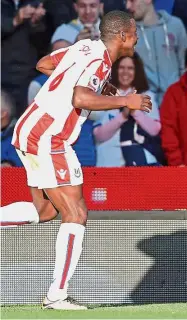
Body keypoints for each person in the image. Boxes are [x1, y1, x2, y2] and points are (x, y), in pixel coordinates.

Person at [0, 11, 151, 310]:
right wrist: (125, 100)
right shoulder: (99, 60)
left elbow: (44, 64)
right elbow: (80, 99)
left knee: (45, 212)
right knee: (76, 214)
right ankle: (57, 295)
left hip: (32, 128)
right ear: (122, 35)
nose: (136, 38)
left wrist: (96, 87)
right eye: (133, 33)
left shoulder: (85, 47)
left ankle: (57, 293)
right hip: (48, 136)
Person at [93, 53, 163, 166]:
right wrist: (123, 116)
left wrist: (135, 111)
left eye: (130, 68)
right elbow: (99, 135)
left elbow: (154, 130)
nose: (126, 72)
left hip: (142, 163)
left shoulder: (147, 96)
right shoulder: (103, 96)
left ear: (137, 71)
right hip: (110, 164)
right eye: (122, 67)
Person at [126, 0, 187, 105]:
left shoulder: (175, 25)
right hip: (145, 106)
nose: (128, 6)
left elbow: (183, 67)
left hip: (176, 102)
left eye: (132, 1)